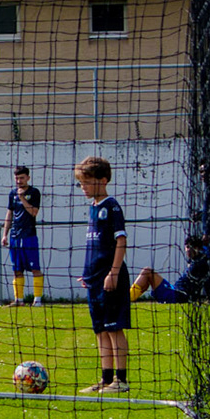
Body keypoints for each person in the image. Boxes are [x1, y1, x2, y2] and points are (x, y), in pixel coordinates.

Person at [74, 156, 129, 394]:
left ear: (103, 180)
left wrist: (113, 273)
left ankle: (121, 380)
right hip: (95, 279)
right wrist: (88, 274)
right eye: (81, 183)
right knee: (100, 329)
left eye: (87, 182)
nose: (83, 187)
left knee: (114, 328)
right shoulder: (93, 208)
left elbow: (121, 241)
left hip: (111, 278)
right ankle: (106, 379)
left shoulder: (111, 206)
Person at [1, 165, 44, 304]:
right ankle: (19, 300)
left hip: (29, 236)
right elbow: (9, 214)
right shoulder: (12, 193)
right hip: (15, 236)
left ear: (28, 178)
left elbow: (34, 212)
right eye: (17, 178)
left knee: (35, 268)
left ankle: (37, 300)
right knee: (17, 270)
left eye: (22, 178)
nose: (19, 181)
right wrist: (5, 234)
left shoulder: (34, 192)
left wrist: (22, 198)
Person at [131, 234, 210, 305]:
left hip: (178, 295)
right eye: (187, 247)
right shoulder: (196, 260)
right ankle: (131, 297)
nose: (188, 250)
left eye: (191, 247)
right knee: (148, 277)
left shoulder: (199, 262)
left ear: (197, 248)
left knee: (147, 272)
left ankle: (128, 298)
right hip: (175, 290)